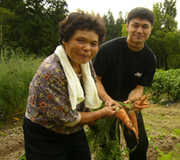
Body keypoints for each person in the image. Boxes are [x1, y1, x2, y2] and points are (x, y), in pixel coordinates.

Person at [23, 11, 117, 160]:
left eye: (93, 43)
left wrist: (107, 101)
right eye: (80, 40)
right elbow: (66, 117)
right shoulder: (51, 71)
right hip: (45, 133)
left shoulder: (86, 63)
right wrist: (100, 114)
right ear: (65, 40)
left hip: (74, 130)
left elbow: (89, 89)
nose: (87, 48)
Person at [93, 7, 157, 160]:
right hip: (105, 103)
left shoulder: (150, 58)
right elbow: (96, 80)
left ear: (151, 29)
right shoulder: (108, 49)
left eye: (145, 26)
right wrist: (108, 100)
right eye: (135, 25)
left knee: (139, 144)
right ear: (127, 26)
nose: (139, 30)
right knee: (108, 145)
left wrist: (133, 101)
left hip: (129, 105)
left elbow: (138, 87)